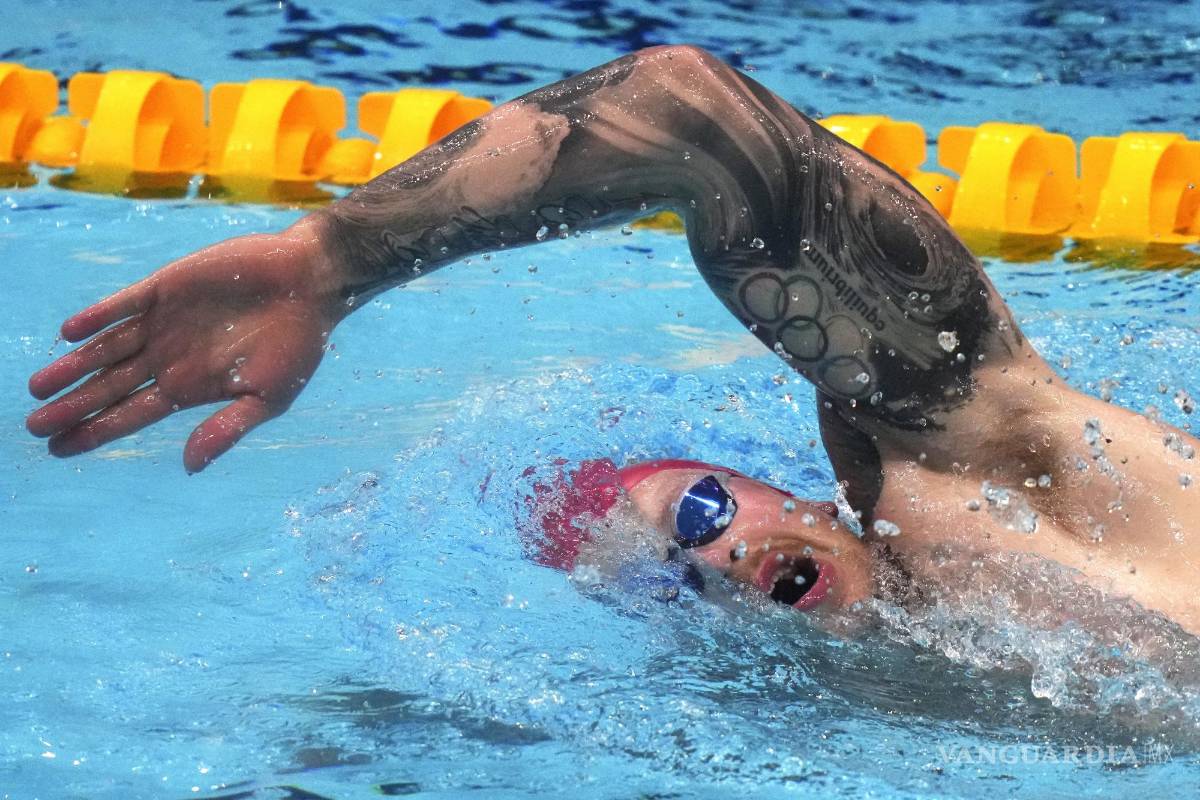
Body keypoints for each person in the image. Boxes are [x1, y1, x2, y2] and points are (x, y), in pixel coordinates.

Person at [25, 46, 1199, 631]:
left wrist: (335, 261)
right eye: (676, 579)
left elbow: (687, 112)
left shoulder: (980, 478)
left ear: (819, 493)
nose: (717, 556)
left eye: (700, 512)